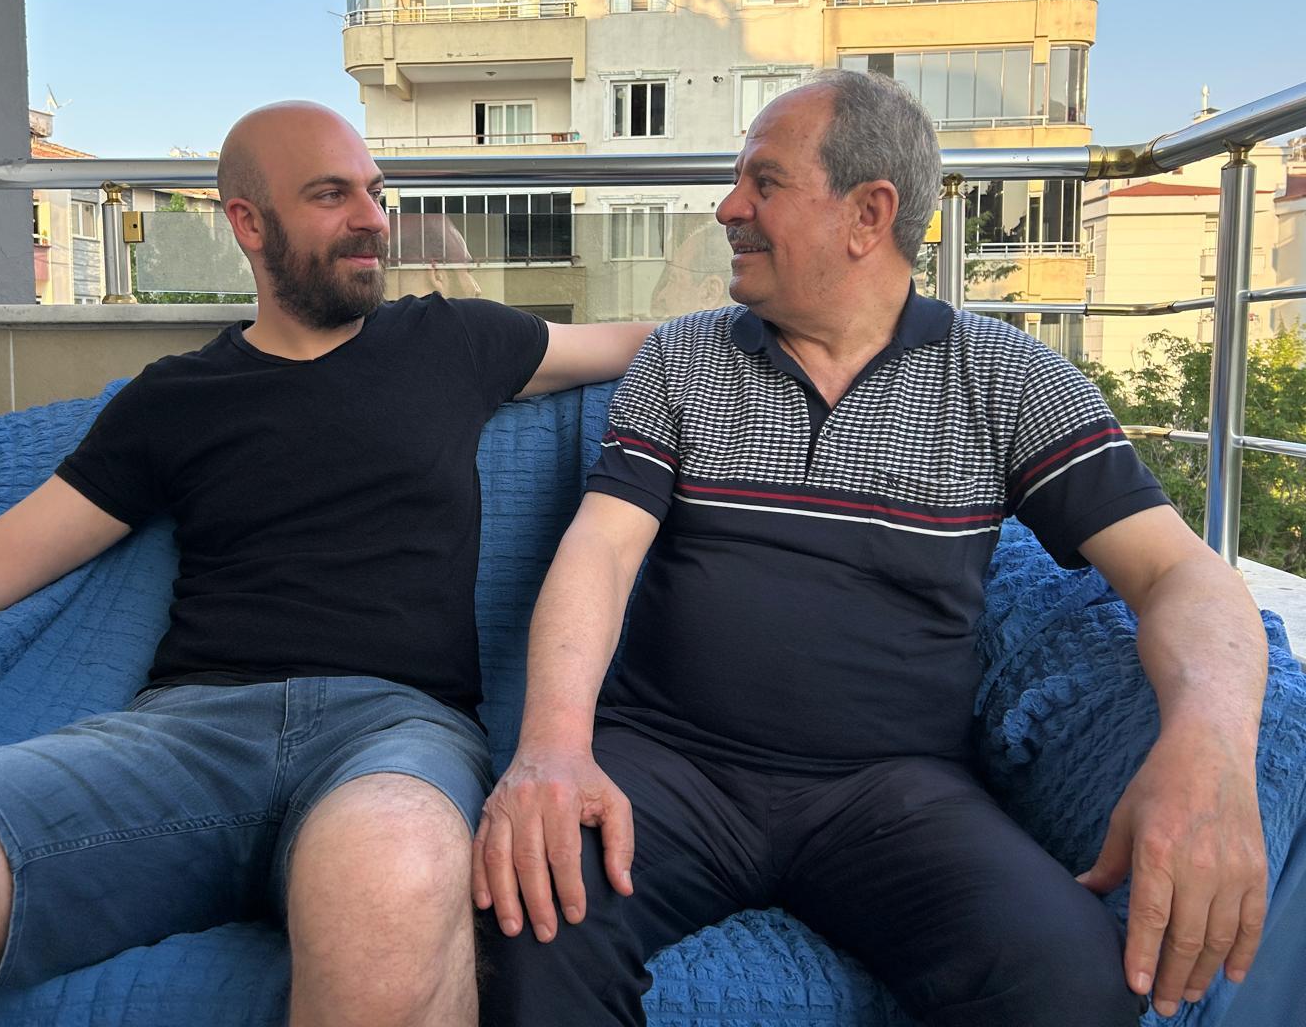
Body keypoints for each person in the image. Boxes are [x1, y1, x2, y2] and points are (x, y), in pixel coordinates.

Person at [0, 102, 653, 1027]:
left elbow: (645, 348)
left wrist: (790, 308)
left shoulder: (451, 338)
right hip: (189, 735)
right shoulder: (175, 398)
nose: (374, 216)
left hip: (394, 734)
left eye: (376, 189)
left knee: (394, 879)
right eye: (333, 194)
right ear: (247, 221)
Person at [473, 69, 1270, 1027]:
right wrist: (554, 748)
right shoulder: (682, 359)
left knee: (1073, 982)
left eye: (763, 182)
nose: (729, 208)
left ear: (868, 213)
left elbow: (1182, 573)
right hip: (670, 767)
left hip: (894, 793)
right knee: (526, 922)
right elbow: (601, 548)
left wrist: (1211, 747)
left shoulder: (1010, 379)